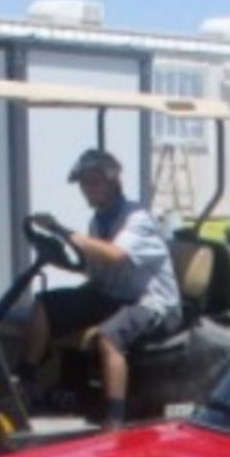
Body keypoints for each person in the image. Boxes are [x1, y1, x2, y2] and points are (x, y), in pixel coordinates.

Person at [25, 148, 181, 427]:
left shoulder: (137, 219)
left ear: (112, 182)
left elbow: (115, 255)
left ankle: (114, 419)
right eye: (84, 184)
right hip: (115, 294)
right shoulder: (98, 221)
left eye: (93, 182)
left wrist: (61, 229)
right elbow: (95, 266)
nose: (87, 190)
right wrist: (61, 259)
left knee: (109, 338)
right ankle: (26, 381)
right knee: (45, 305)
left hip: (151, 301)